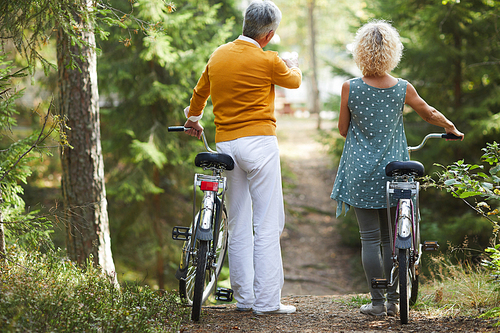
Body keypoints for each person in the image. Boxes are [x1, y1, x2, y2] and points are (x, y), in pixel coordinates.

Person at [330, 20, 464, 317]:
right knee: (394, 240)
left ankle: (377, 304)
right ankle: (393, 300)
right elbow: (428, 113)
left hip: (360, 172)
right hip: (395, 172)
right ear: (392, 52)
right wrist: (450, 126)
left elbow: (342, 130)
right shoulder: (402, 88)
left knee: (370, 239)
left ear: (360, 52)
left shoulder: (349, 88)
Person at [183, 0, 302, 315]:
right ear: (268, 34)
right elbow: (295, 81)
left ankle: (245, 299)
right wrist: (293, 62)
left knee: (237, 223)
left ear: (246, 24)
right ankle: (266, 303)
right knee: (267, 223)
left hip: (227, 147)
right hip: (260, 145)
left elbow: (199, 93)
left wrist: (193, 119)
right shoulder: (269, 59)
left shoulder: (219, 55)